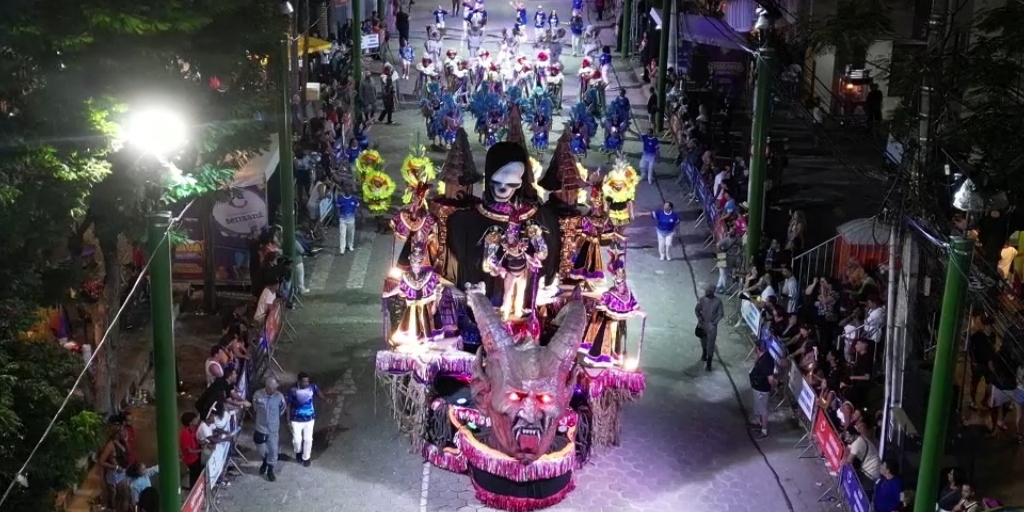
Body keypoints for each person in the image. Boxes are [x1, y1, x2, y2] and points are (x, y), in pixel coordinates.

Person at [288, 372, 330, 467]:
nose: (306, 384)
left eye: (307, 381)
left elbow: (319, 393)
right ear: (299, 381)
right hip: (296, 419)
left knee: (308, 439)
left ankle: (306, 457)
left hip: (309, 418)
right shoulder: (293, 391)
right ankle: (298, 452)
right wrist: (288, 419)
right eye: (304, 382)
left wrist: (325, 399)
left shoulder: (312, 387)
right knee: (297, 440)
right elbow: (288, 405)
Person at [253, 376, 287, 481]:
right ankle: (264, 460)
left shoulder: (279, 397)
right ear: (267, 387)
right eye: (274, 388)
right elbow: (255, 408)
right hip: (260, 428)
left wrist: (274, 419)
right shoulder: (258, 395)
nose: (276, 390)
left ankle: (270, 470)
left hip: (273, 429)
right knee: (261, 450)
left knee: (273, 450)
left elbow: (282, 409)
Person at [748, 342, 775, 440]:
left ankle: (764, 431)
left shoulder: (766, 362)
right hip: (758, 388)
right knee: (759, 408)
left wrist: (773, 387)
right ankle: (760, 424)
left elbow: (771, 379)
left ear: (758, 349)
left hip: (762, 390)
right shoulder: (764, 356)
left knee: (763, 410)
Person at [695, 284, 724, 371]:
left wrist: (714, 323)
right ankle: (704, 354)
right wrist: (700, 319)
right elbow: (697, 310)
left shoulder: (718, 302)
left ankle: (709, 363)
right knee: (703, 342)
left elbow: (720, 314)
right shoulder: (702, 300)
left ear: (712, 292)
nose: (706, 293)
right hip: (703, 324)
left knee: (710, 345)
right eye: (706, 291)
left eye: (708, 291)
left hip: (711, 327)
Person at [179, 412, 204, 489]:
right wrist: (201, 450)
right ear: (191, 422)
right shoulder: (185, 434)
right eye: (195, 419)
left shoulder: (193, 429)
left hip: (196, 457)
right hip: (191, 460)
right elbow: (189, 450)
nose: (197, 419)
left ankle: (193, 488)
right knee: (197, 472)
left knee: (194, 475)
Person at [336, 186, 361, 254]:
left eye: (349, 190)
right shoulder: (340, 199)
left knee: (351, 233)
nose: (348, 191)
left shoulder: (353, 199)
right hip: (342, 219)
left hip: (351, 220)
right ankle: (342, 248)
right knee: (342, 234)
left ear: (350, 191)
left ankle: (350, 245)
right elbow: (337, 209)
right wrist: (336, 216)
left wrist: (362, 216)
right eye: (346, 190)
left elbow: (358, 207)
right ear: (344, 191)